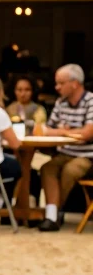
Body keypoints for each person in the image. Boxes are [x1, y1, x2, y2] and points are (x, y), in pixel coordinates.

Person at [37, 63, 93, 232]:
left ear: (75, 83)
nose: (57, 87)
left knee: (70, 170)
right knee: (47, 168)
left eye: (61, 83)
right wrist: (67, 131)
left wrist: (61, 132)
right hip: (65, 152)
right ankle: (53, 216)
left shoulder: (90, 101)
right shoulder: (61, 103)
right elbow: (45, 130)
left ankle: (53, 213)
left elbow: (87, 133)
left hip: (87, 156)